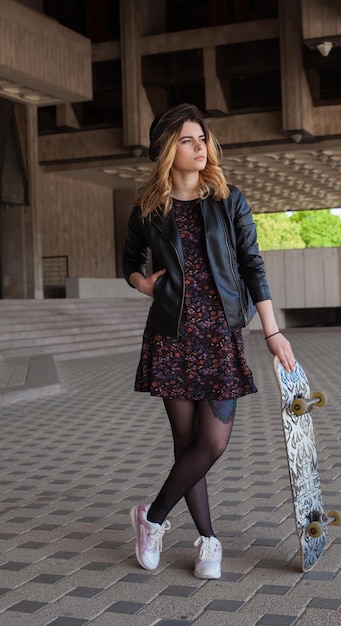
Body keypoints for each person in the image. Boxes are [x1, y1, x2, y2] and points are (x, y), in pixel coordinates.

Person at [122, 103, 295, 580]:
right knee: (187, 444)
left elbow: (251, 265)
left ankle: (152, 516)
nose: (200, 148)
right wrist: (143, 284)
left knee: (212, 444)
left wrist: (272, 331)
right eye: (188, 140)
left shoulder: (228, 199)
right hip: (171, 336)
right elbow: (129, 261)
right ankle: (209, 541)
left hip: (220, 335)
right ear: (167, 150)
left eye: (203, 139)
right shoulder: (148, 208)